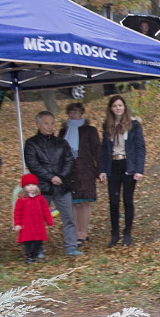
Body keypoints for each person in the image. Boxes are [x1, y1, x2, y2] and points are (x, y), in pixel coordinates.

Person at [24, 111, 82, 257]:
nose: (50, 126)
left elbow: (69, 161)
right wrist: (50, 177)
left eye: (52, 123)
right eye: (46, 123)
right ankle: (37, 248)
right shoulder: (31, 143)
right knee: (37, 219)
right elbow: (33, 164)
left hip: (62, 186)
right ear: (38, 124)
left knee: (69, 217)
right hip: (42, 187)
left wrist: (61, 177)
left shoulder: (62, 143)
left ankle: (71, 247)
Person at [99, 96, 146, 248]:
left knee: (127, 200)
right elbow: (104, 150)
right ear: (111, 109)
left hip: (128, 164)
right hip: (113, 164)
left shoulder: (133, 124)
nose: (118, 108)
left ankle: (127, 233)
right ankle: (114, 234)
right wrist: (103, 170)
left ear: (124, 107)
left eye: (120, 105)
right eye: (115, 106)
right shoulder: (107, 125)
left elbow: (140, 147)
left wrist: (139, 169)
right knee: (113, 201)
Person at [58, 102, 100, 247]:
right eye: (70, 112)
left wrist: (100, 169)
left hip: (86, 169)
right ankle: (75, 232)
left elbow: (97, 150)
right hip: (69, 171)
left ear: (82, 113)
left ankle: (83, 232)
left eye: (76, 112)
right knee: (73, 203)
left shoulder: (89, 130)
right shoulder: (63, 131)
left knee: (84, 201)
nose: (73, 115)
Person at [14, 173, 54, 264]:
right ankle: (28, 256)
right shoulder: (22, 199)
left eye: (33, 185)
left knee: (38, 242)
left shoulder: (40, 198)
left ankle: (34, 255)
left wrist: (49, 221)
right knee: (28, 242)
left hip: (38, 225)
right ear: (24, 187)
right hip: (27, 225)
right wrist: (17, 224)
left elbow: (46, 210)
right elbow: (17, 212)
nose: (31, 187)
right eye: (28, 185)